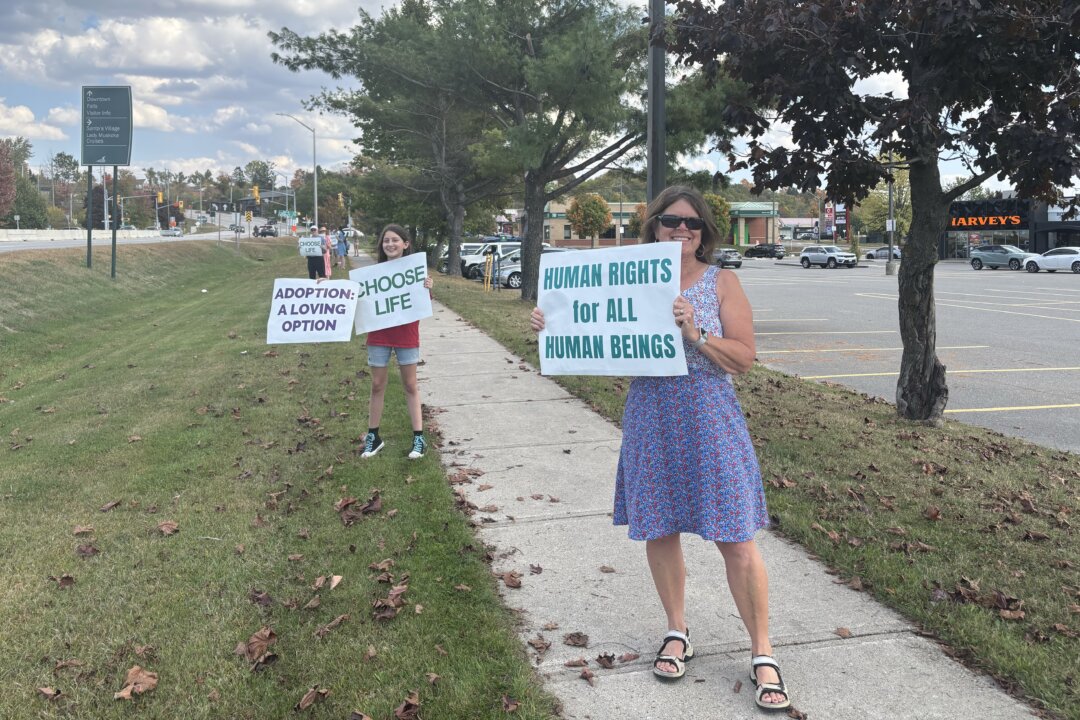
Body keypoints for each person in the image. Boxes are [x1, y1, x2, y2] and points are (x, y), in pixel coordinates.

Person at [529, 185, 790, 712]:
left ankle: (763, 652)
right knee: (661, 527)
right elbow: (600, 337)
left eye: (692, 223)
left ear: (705, 232)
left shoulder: (722, 282)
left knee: (735, 536)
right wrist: (552, 325)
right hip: (651, 417)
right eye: (670, 221)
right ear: (654, 226)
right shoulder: (628, 280)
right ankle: (677, 630)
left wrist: (695, 333)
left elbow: (742, 358)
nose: (681, 230)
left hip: (709, 420)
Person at [360, 224, 434, 461]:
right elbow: (353, 296)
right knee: (377, 385)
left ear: (405, 243)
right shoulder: (372, 275)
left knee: (410, 385)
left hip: (406, 335)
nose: (390, 244)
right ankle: (374, 436)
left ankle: (418, 438)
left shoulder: (415, 273)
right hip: (379, 335)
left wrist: (428, 288)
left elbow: (423, 303)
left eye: (394, 240)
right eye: (385, 241)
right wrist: (327, 287)